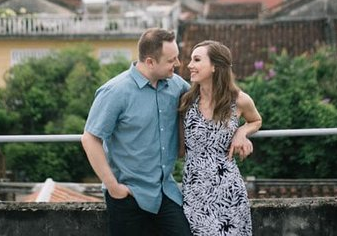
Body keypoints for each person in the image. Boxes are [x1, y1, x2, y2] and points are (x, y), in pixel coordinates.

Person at [82, 28, 192, 236]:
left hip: (165, 192)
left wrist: (245, 127)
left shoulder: (176, 85)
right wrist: (113, 187)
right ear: (150, 62)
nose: (177, 64)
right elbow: (90, 139)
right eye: (171, 60)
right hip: (128, 197)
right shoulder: (115, 91)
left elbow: (209, 97)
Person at [179, 40, 262, 236]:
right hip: (194, 188)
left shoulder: (239, 100)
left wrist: (242, 132)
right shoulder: (186, 99)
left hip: (228, 188)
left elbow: (256, 120)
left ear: (215, 66)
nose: (190, 65)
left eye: (197, 60)